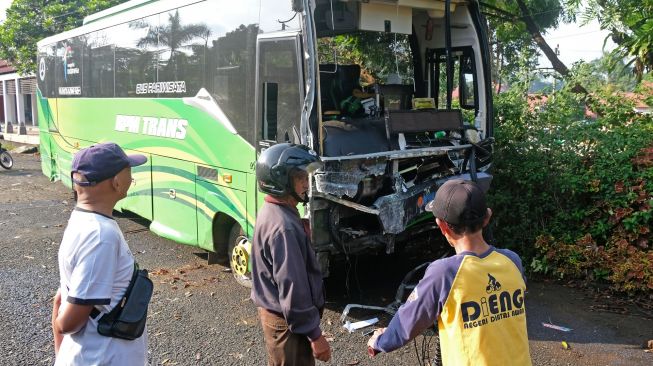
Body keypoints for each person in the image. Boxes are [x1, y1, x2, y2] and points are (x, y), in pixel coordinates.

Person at [367, 179, 531, 365]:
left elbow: (408, 321)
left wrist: (381, 341)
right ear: (487, 217)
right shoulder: (512, 261)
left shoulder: (445, 273)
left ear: (442, 226)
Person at [52, 142, 148, 365]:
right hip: (101, 357)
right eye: (128, 170)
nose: (131, 177)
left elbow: (60, 298)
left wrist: (61, 354)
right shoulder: (100, 236)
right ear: (115, 182)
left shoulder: (80, 220)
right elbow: (67, 322)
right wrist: (58, 329)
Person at [251, 143, 331, 365]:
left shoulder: (274, 211)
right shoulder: (283, 227)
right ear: (281, 181)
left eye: (306, 177)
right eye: (300, 178)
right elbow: (293, 288)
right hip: (288, 324)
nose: (307, 183)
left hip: (282, 319)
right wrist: (315, 335)